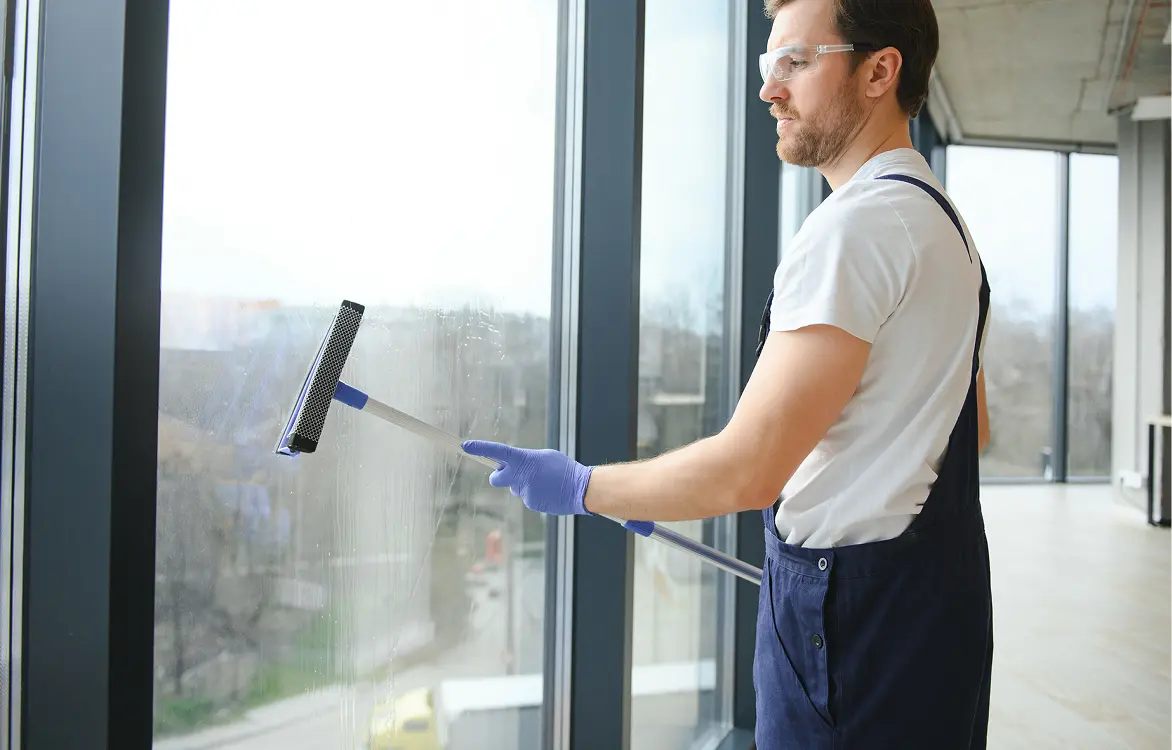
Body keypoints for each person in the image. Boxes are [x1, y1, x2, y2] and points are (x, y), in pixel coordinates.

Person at [463, 0, 994, 747]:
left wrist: (582, 486)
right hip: (932, 616)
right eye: (769, 65)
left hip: (853, 643)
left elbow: (749, 470)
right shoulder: (946, 227)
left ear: (879, 71)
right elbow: (973, 426)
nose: (769, 90)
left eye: (795, 63)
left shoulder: (858, 229)